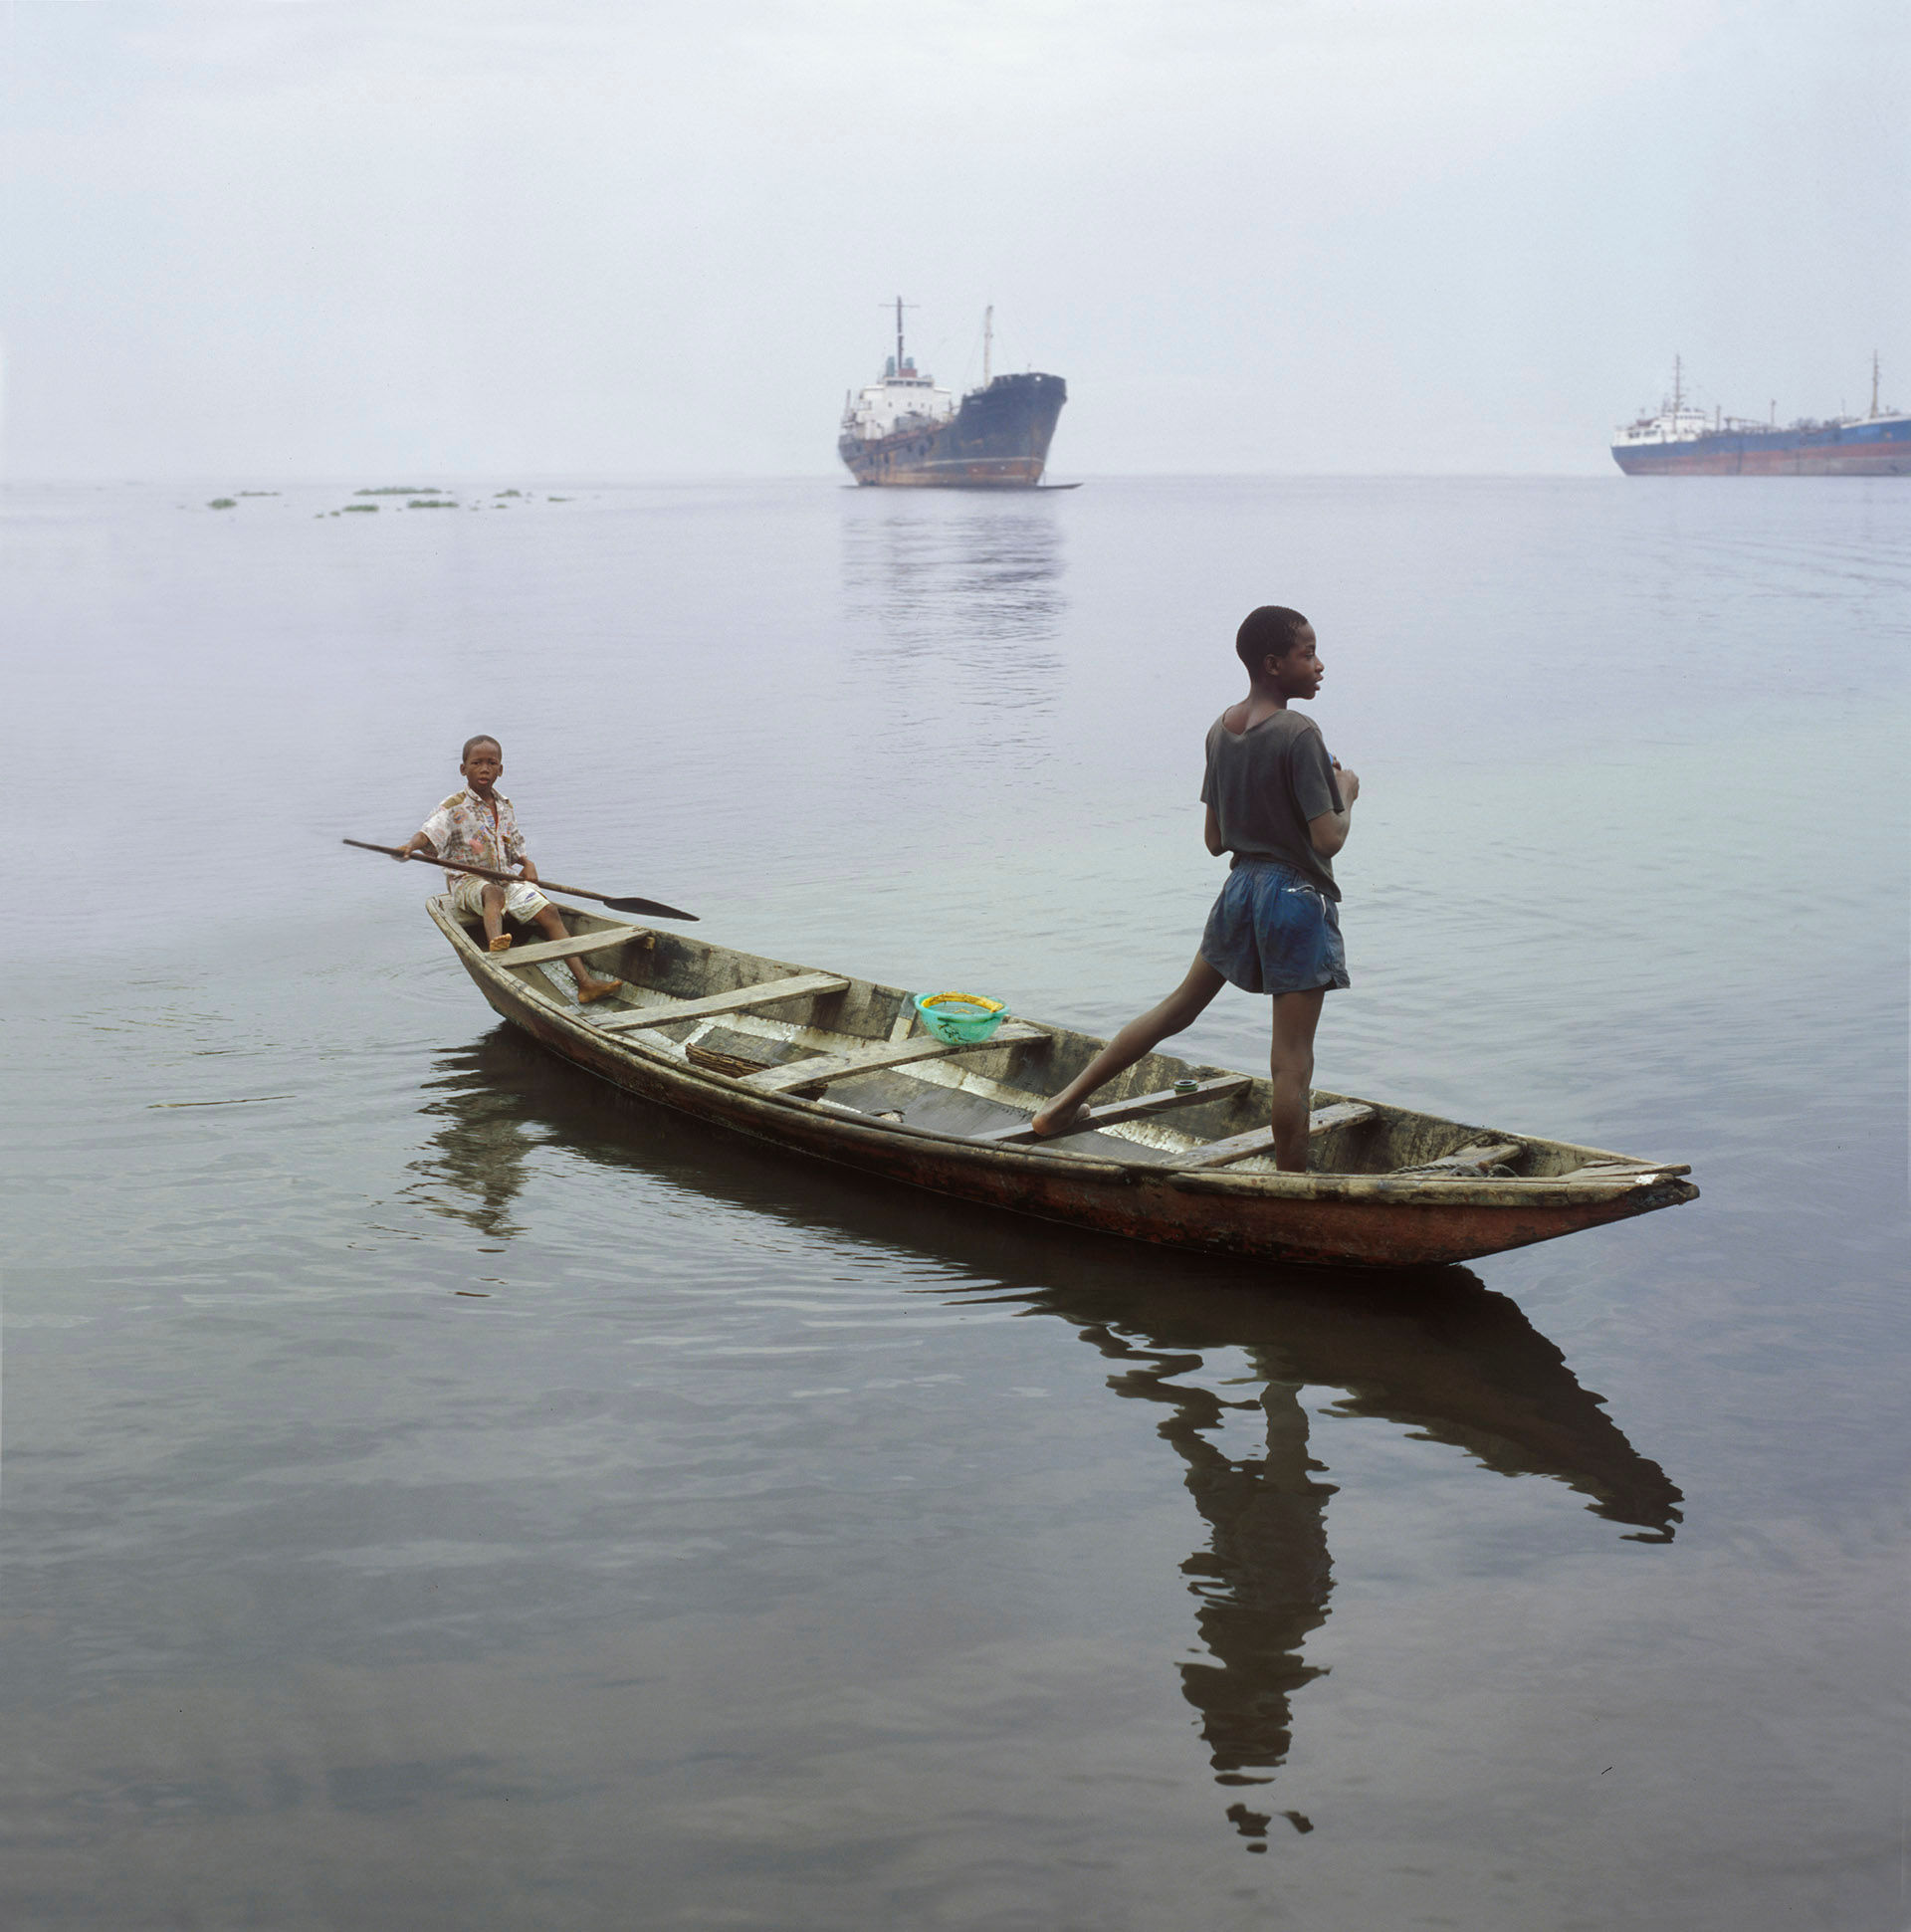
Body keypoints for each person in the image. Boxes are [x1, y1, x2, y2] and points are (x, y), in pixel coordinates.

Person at [1029, 606, 1359, 1171]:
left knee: (1176, 1008)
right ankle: (1290, 1186)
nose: (1320, 664)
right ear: (1274, 664)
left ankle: (1060, 1108)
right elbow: (1327, 839)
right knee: (1292, 1061)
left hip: (1240, 891)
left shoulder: (1220, 730)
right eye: (1308, 653)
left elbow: (1214, 840)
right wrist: (1346, 791)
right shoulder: (1300, 733)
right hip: (1295, 899)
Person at [394, 735, 623, 1004]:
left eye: (491, 763)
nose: (484, 768)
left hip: (503, 880)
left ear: (500, 770)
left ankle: (585, 984)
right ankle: (496, 951)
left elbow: (514, 847)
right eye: (477, 763)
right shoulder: (454, 807)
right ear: (463, 769)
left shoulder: (504, 806)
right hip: (468, 883)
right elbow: (428, 833)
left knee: (548, 911)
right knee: (493, 894)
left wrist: (527, 864)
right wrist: (410, 846)